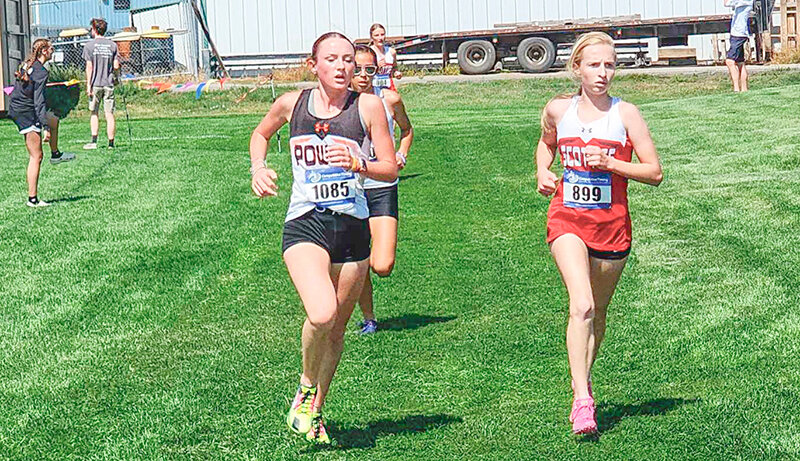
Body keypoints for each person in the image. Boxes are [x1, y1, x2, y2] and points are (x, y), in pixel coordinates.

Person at [249, 32, 397, 444]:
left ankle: (313, 411)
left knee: (336, 331)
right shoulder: (291, 104)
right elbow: (260, 134)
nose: (342, 66)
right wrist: (258, 168)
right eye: (331, 59)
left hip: (352, 228)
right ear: (313, 64)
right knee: (321, 313)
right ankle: (306, 384)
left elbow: (390, 168)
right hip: (306, 222)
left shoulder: (367, 107)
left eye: (349, 59)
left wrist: (359, 163)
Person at [535, 32, 663, 435]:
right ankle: (582, 399)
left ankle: (582, 379)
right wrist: (542, 170)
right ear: (577, 68)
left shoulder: (626, 115)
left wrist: (612, 163)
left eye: (609, 65)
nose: (603, 72)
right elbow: (545, 143)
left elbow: (655, 172)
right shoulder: (559, 109)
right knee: (583, 305)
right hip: (568, 220)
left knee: (599, 313)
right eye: (594, 64)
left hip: (612, 226)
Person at [349, 45, 414, 334]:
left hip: (382, 185)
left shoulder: (389, 99)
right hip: (350, 189)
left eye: (370, 69)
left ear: (378, 71)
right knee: (359, 258)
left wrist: (401, 153)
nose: (363, 75)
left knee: (383, 265)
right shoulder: (340, 104)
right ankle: (369, 318)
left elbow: (407, 129)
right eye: (357, 69)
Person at [8, 38, 76, 208]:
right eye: (51, 49)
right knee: (36, 156)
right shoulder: (41, 72)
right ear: (44, 51)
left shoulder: (28, 65)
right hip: (25, 113)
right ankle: (33, 200)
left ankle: (56, 155)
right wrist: (44, 127)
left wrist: (47, 122)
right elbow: (38, 102)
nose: (53, 51)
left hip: (20, 108)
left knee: (53, 118)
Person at [83, 17, 120, 149]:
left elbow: (89, 67)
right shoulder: (113, 45)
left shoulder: (89, 46)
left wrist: (88, 85)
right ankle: (111, 143)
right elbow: (116, 66)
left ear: (94, 29)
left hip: (95, 84)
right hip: (108, 83)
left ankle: (94, 141)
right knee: (109, 113)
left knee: (94, 112)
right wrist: (116, 78)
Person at [724, 0, 754, 92]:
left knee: (730, 61)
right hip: (738, 33)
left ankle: (736, 89)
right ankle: (744, 89)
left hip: (738, 34)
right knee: (740, 62)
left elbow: (726, 3)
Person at [368, 24, 402, 94]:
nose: (380, 38)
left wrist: (396, 73)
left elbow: (394, 68)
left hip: (388, 86)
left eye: (382, 34)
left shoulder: (392, 52)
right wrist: (376, 67)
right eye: (376, 35)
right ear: (371, 37)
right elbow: (364, 71)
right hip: (373, 87)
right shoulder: (369, 52)